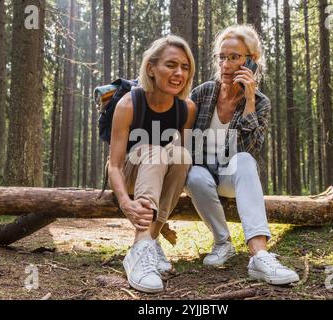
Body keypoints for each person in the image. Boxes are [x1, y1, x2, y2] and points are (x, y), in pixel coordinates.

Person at [185, 25, 300, 285]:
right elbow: (184, 138)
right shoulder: (203, 93)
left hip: (232, 176)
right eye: (222, 57)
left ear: (251, 61)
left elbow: (249, 150)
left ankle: (260, 255)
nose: (226, 64)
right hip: (202, 173)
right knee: (193, 175)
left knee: (246, 160)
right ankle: (222, 242)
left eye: (234, 57)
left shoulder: (260, 103)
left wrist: (248, 100)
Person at [109, 35, 197, 293]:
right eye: (171, 65)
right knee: (153, 150)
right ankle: (142, 250)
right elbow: (113, 165)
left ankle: (146, 241)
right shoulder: (129, 104)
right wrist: (126, 203)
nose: (179, 73)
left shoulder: (186, 109)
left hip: (157, 174)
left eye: (185, 67)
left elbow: (178, 164)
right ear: (151, 68)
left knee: (182, 156)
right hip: (128, 174)